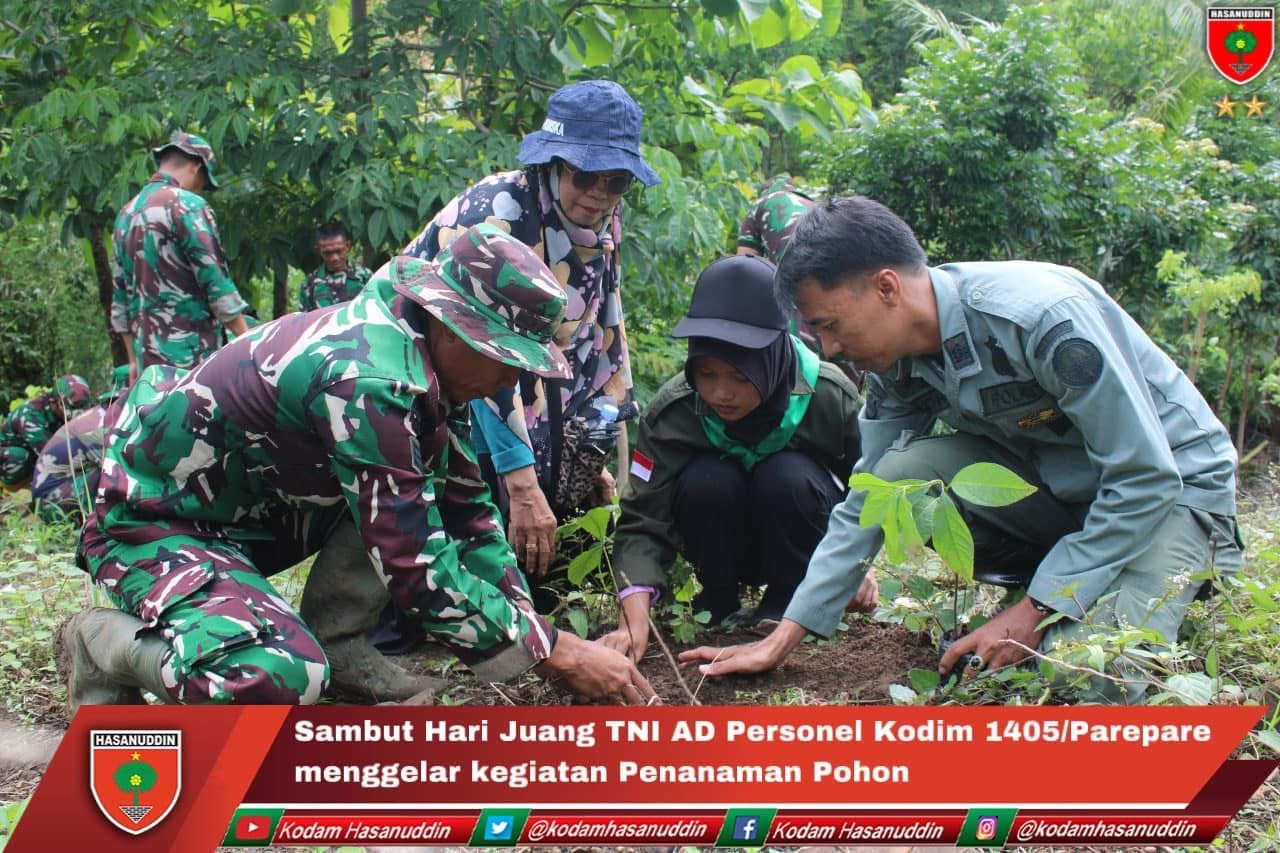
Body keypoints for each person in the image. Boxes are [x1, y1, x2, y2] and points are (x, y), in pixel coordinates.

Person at [58, 225, 656, 710]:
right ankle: (101, 641)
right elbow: (417, 569)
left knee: (402, 498)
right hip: (155, 521)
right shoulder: (367, 381)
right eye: (505, 360)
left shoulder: (426, 359)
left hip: (251, 510)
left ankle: (340, 648)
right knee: (273, 677)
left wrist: (534, 634)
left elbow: (468, 515)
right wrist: (558, 652)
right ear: (455, 327)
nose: (509, 381)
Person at [680, 196, 1243, 703]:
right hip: (1068, 494)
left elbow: (1145, 477)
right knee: (906, 470)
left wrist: (1033, 612)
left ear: (886, 288)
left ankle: (1096, 589)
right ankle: (1063, 580)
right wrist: (785, 635)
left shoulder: (1039, 318)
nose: (827, 348)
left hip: (1172, 494)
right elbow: (870, 491)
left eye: (830, 325)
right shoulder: (896, 363)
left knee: (1085, 676)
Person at [401, 79, 659, 578]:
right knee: (491, 489)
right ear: (554, 164)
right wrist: (521, 482)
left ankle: (531, 596)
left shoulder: (605, 219)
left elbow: (593, 325)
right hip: (440, 371)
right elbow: (478, 351)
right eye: (586, 175)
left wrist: (587, 449)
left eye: (616, 182)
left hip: (522, 367)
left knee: (562, 478)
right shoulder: (497, 214)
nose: (599, 194)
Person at [597, 255, 876, 663]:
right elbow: (643, 518)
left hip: (802, 538)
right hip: (721, 545)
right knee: (707, 481)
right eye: (707, 374)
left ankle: (787, 599)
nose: (720, 393)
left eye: (740, 378)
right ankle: (718, 601)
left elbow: (871, 489)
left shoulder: (829, 396)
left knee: (787, 476)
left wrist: (858, 565)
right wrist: (633, 621)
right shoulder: (673, 413)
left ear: (773, 359)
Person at [110, 131, 250, 381]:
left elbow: (120, 302)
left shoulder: (126, 214)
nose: (201, 189)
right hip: (192, 362)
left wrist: (133, 361)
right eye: (204, 182)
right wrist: (250, 344)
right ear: (197, 166)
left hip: (148, 369)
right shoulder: (188, 206)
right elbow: (217, 285)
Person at [30, 365, 132, 521]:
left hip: (65, 489)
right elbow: (127, 472)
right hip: (51, 503)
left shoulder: (110, 416)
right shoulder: (99, 426)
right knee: (114, 475)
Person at [0, 375, 93, 489]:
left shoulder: (64, 410)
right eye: (72, 408)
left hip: (36, 453)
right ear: (53, 403)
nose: (79, 414)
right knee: (19, 457)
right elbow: (51, 456)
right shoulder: (31, 415)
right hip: (11, 457)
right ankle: (21, 488)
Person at [299, 222, 373, 311]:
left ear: (347, 246)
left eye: (339, 251)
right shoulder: (309, 284)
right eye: (327, 253)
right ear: (318, 251)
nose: (334, 258)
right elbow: (305, 317)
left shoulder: (365, 276)